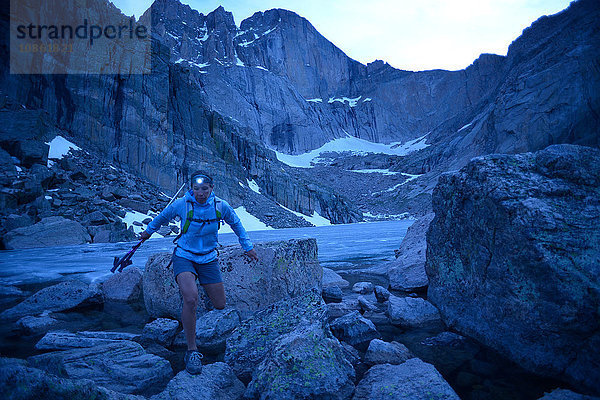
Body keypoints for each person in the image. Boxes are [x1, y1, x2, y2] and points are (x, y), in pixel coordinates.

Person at [140, 171, 259, 374]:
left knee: (220, 304)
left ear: (212, 188)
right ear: (191, 189)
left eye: (205, 188)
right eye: (197, 188)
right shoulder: (182, 204)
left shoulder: (221, 206)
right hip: (184, 256)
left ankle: (193, 314)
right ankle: (192, 350)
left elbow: (237, 225)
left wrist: (247, 247)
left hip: (209, 258)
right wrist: (148, 232)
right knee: (191, 298)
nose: (201, 193)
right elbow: (162, 217)